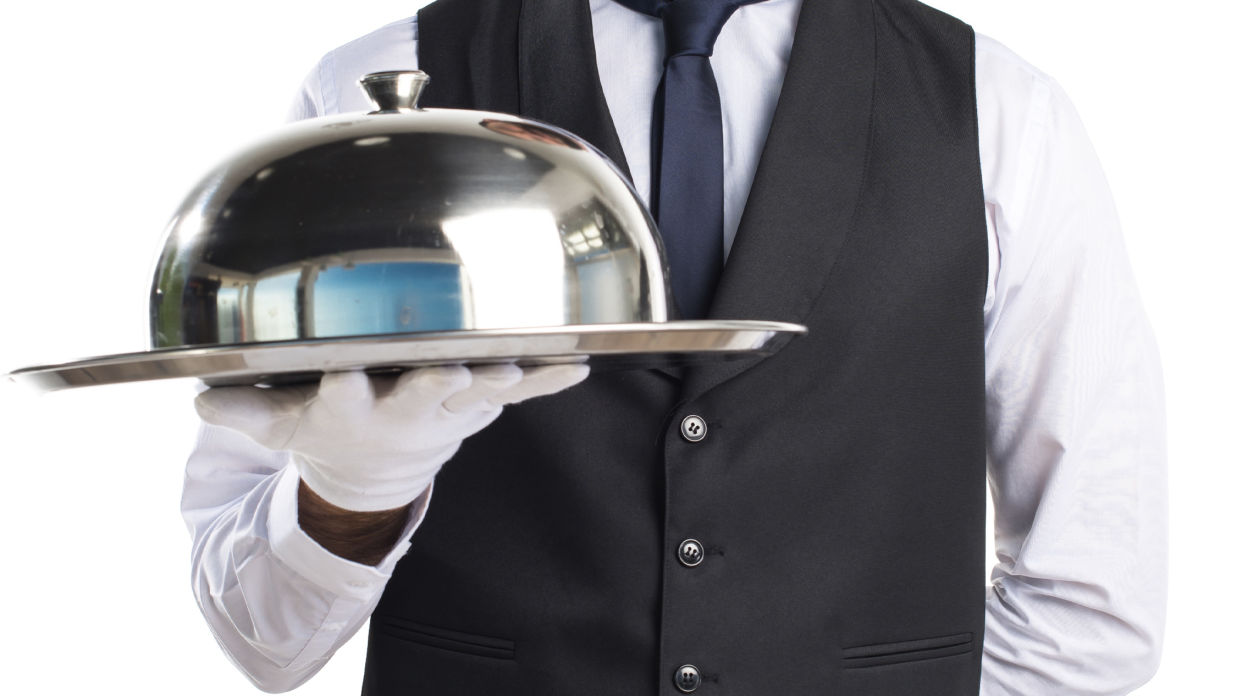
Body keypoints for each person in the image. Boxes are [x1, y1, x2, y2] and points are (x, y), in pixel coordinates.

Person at [183, 0, 1167, 694]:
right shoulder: (371, 90)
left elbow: (1094, 597)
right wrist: (350, 496)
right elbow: (262, 639)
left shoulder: (997, 106)